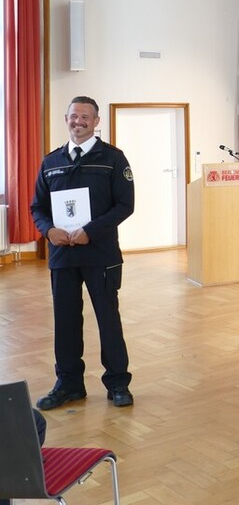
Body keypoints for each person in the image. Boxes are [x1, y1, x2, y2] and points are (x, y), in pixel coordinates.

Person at [30, 96, 136, 410]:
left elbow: (125, 205)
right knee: (65, 322)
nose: (79, 122)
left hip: (101, 253)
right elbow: (38, 206)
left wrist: (91, 230)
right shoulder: (51, 161)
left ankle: (117, 382)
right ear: (66, 119)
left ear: (96, 121)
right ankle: (69, 384)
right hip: (62, 255)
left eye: (85, 117)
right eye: (74, 116)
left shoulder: (114, 158)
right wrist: (49, 230)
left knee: (108, 320)